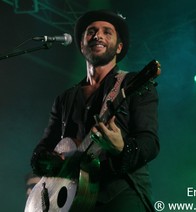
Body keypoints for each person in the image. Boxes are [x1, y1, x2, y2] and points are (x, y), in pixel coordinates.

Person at [30, 10, 160, 212]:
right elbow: (40, 151)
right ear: (82, 44)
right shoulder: (64, 98)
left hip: (120, 197)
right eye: (91, 31)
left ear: (119, 47)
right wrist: (56, 162)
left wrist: (121, 149)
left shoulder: (132, 84)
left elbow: (149, 142)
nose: (98, 35)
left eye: (107, 32)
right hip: (72, 203)